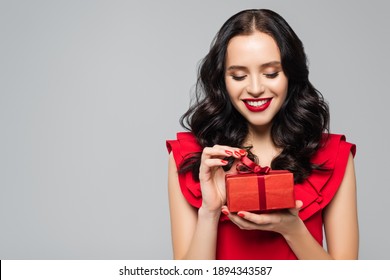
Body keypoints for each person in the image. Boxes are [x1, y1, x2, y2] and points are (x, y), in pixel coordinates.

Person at [166, 9, 358, 260]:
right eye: (238, 76)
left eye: (270, 73)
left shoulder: (334, 156)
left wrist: (292, 229)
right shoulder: (191, 157)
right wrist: (210, 212)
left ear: (291, 74)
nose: (255, 89)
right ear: (222, 80)